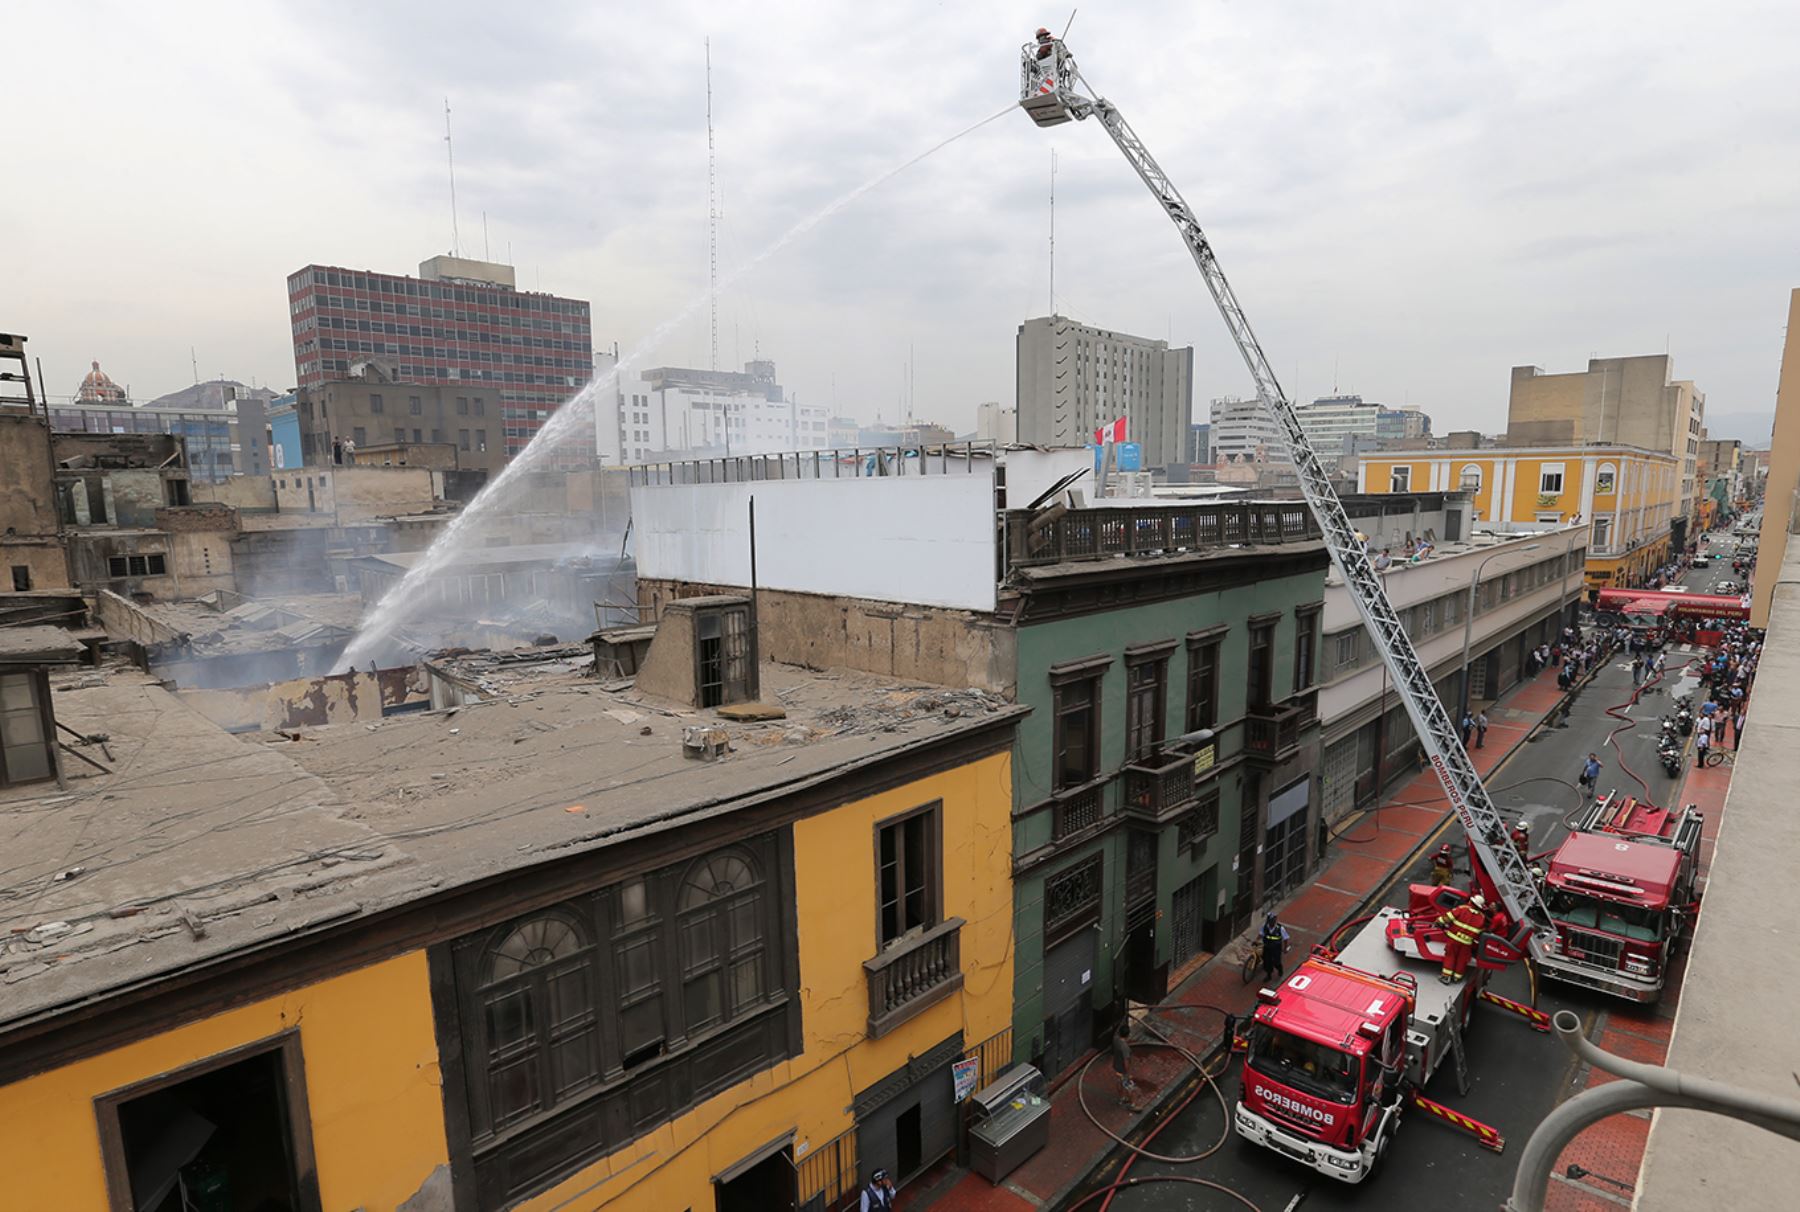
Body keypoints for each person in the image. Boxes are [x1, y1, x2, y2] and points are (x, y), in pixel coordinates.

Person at [1436, 894, 1489, 985]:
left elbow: (1448, 918)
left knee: (1450, 956)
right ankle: (1457, 977)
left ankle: (1446, 977)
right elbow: (1479, 932)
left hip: (1454, 939)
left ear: (1471, 902)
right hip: (1467, 943)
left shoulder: (1462, 909)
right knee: (1461, 959)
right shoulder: (1482, 917)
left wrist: (1439, 921)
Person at [1111, 1020, 1144, 1110]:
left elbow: (1116, 1032)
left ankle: (1122, 1098)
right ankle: (1132, 1105)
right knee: (1129, 1087)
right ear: (1128, 1035)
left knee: (1119, 1082)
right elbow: (1126, 1061)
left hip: (1116, 1066)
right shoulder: (1125, 1047)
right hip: (1123, 1070)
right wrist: (1128, 1073)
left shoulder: (1115, 1039)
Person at [1259, 913, 1290, 982]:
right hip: (1267, 947)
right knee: (1267, 961)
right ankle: (1269, 975)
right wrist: (1256, 941)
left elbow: (1286, 938)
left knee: (1276, 962)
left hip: (1276, 948)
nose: (1270, 923)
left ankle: (1280, 969)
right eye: (1269, 921)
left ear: (1275, 921)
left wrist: (1285, 948)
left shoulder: (1280, 929)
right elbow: (1261, 934)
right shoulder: (1265, 927)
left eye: (1272, 921)